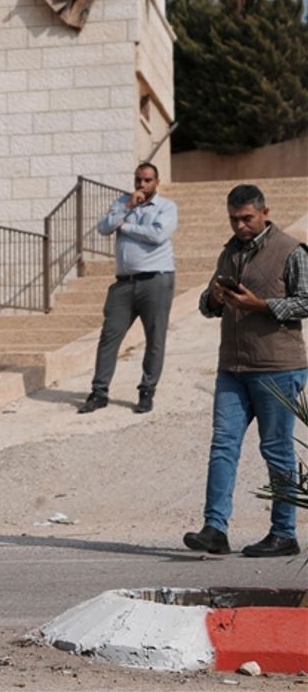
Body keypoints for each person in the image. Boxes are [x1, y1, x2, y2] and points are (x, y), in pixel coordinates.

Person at [184, 184, 307, 558]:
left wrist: (263, 305)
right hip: (233, 368)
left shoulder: (291, 250)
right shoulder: (229, 253)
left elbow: (306, 301)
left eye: (247, 218)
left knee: (276, 450)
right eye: (234, 219)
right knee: (223, 445)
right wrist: (214, 298)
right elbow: (208, 306)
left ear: (265, 213)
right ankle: (215, 529)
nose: (240, 226)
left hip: (277, 367)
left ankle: (284, 533)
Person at [78, 162, 178, 414]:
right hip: (124, 283)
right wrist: (127, 208)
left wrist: (124, 227)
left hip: (156, 280)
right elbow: (103, 228)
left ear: (157, 182)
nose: (141, 184)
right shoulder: (123, 203)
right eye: (138, 180)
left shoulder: (166, 207)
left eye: (147, 180)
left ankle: (147, 390)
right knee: (109, 336)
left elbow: (157, 235)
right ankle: (99, 392)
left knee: (155, 338)